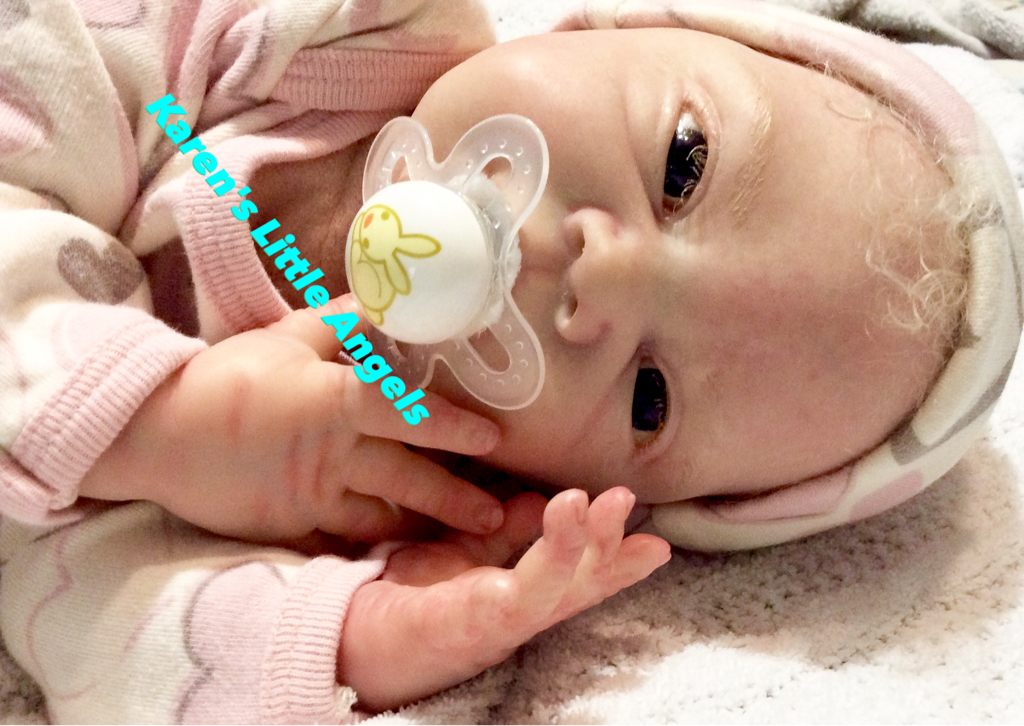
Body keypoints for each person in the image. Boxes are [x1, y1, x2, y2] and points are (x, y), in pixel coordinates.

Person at [1, 0, 1021, 721]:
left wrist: (364, 632)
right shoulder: (345, 26)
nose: (603, 282)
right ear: (622, 28)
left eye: (651, 400)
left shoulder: (378, 488)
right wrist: (151, 425)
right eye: (685, 164)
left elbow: (80, 620)